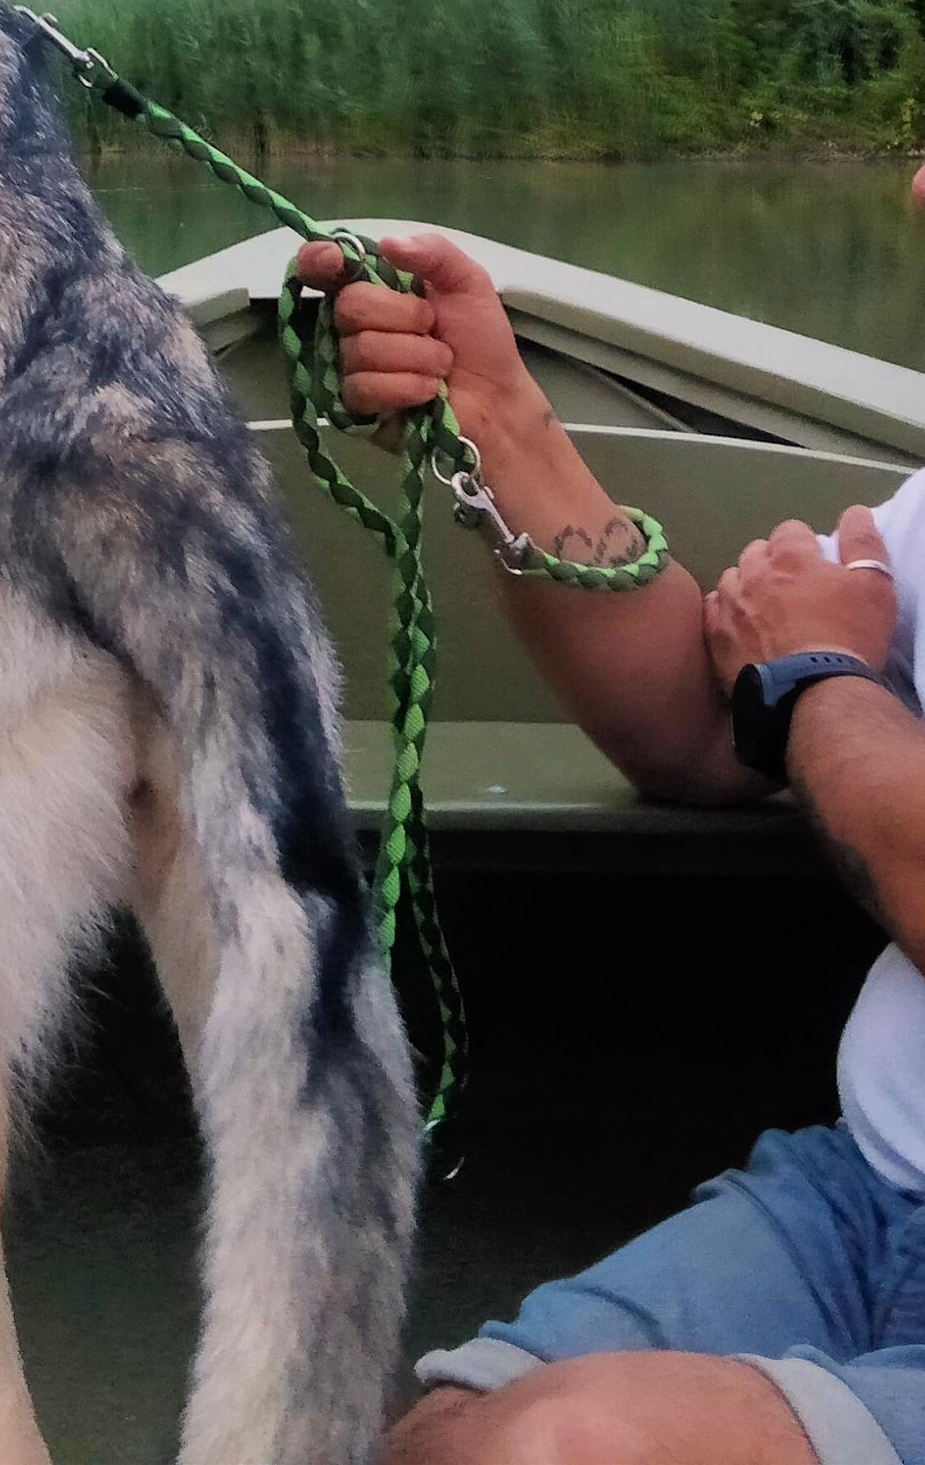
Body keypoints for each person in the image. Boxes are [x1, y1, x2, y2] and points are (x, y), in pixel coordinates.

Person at [293, 228, 925, 1465]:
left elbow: (800, 692)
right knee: (448, 1437)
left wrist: (814, 677)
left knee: (565, 1447)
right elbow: (699, 736)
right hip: (868, 1195)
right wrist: (505, 431)